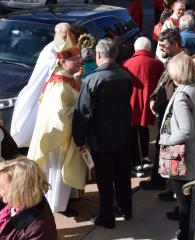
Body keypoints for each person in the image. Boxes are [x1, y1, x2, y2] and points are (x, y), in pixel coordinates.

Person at [73, 38, 133, 229]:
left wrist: (79, 138)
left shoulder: (92, 80)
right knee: (123, 175)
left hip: (102, 139)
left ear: (98, 55)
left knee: (105, 180)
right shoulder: (125, 75)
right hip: (123, 136)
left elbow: (83, 113)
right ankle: (126, 208)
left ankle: (106, 217)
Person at [27, 29, 86, 214]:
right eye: (74, 59)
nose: (79, 61)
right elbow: (59, 115)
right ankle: (57, 206)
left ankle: (66, 201)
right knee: (58, 174)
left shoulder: (68, 78)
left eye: (79, 58)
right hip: (59, 140)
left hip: (67, 136)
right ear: (62, 61)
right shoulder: (59, 85)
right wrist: (81, 112)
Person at [159, 53, 195, 239]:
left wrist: (166, 140)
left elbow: (186, 131)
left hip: (185, 157)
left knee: (186, 204)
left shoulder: (182, 96)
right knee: (194, 199)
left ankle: (188, 235)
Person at [140, 29, 187, 191]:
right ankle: (160, 181)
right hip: (165, 113)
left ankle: (172, 189)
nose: (160, 49)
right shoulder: (172, 59)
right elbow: (162, 83)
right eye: (159, 45)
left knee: (172, 151)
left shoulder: (183, 61)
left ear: (175, 44)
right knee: (163, 149)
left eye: (164, 45)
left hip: (173, 116)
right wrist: (154, 97)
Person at [10, 22, 70, 148]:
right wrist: (59, 62)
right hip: (44, 89)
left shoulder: (68, 47)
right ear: (57, 34)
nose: (66, 38)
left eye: (67, 35)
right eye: (64, 35)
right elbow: (45, 69)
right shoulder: (49, 49)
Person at [122, 37, 164, 177]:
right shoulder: (157, 64)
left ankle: (136, 164)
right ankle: (145, 157)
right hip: (148, 102)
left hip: (131, 103)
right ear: (149, 49)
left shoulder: (126, 63)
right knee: (143, 128)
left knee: (132, 132)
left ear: (135, 49)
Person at [0, 158, 57, 239]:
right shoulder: (26, 198)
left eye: (2, 187)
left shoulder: (38, 231)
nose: (0, 191)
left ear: (19, 192)